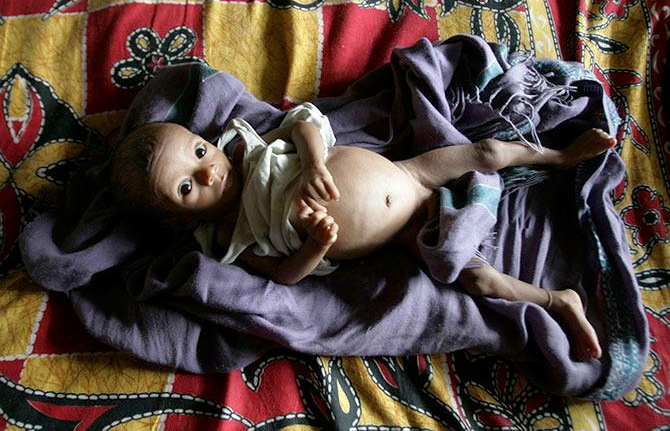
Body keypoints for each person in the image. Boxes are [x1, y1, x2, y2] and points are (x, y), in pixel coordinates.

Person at [110, 102, 615, 361]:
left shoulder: (246, 146)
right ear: (177, 220)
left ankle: (556, 156)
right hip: (408, 236)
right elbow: (283, 277)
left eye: (199, 151)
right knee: (480, 283)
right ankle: (559, 301)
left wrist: (310, 164)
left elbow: (304, 122)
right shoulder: (227, 237)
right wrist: (317, 244)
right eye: (185, 188)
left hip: (412, 173)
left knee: (486, 153)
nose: (208, 172)